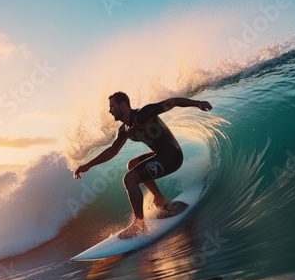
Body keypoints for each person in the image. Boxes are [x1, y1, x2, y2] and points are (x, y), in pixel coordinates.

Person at [74, 92, 212, 238]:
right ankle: (161, 200)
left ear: (123, 105)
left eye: (112, 106)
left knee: (129, 179)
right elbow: (112, 151)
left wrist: (198, 103)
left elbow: (172, 102)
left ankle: (139, 225)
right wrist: (88, 165)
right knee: (132, 165)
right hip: (160, 155)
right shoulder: (124, 130)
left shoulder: (143, 114)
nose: (110, 111)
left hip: (172, 156)